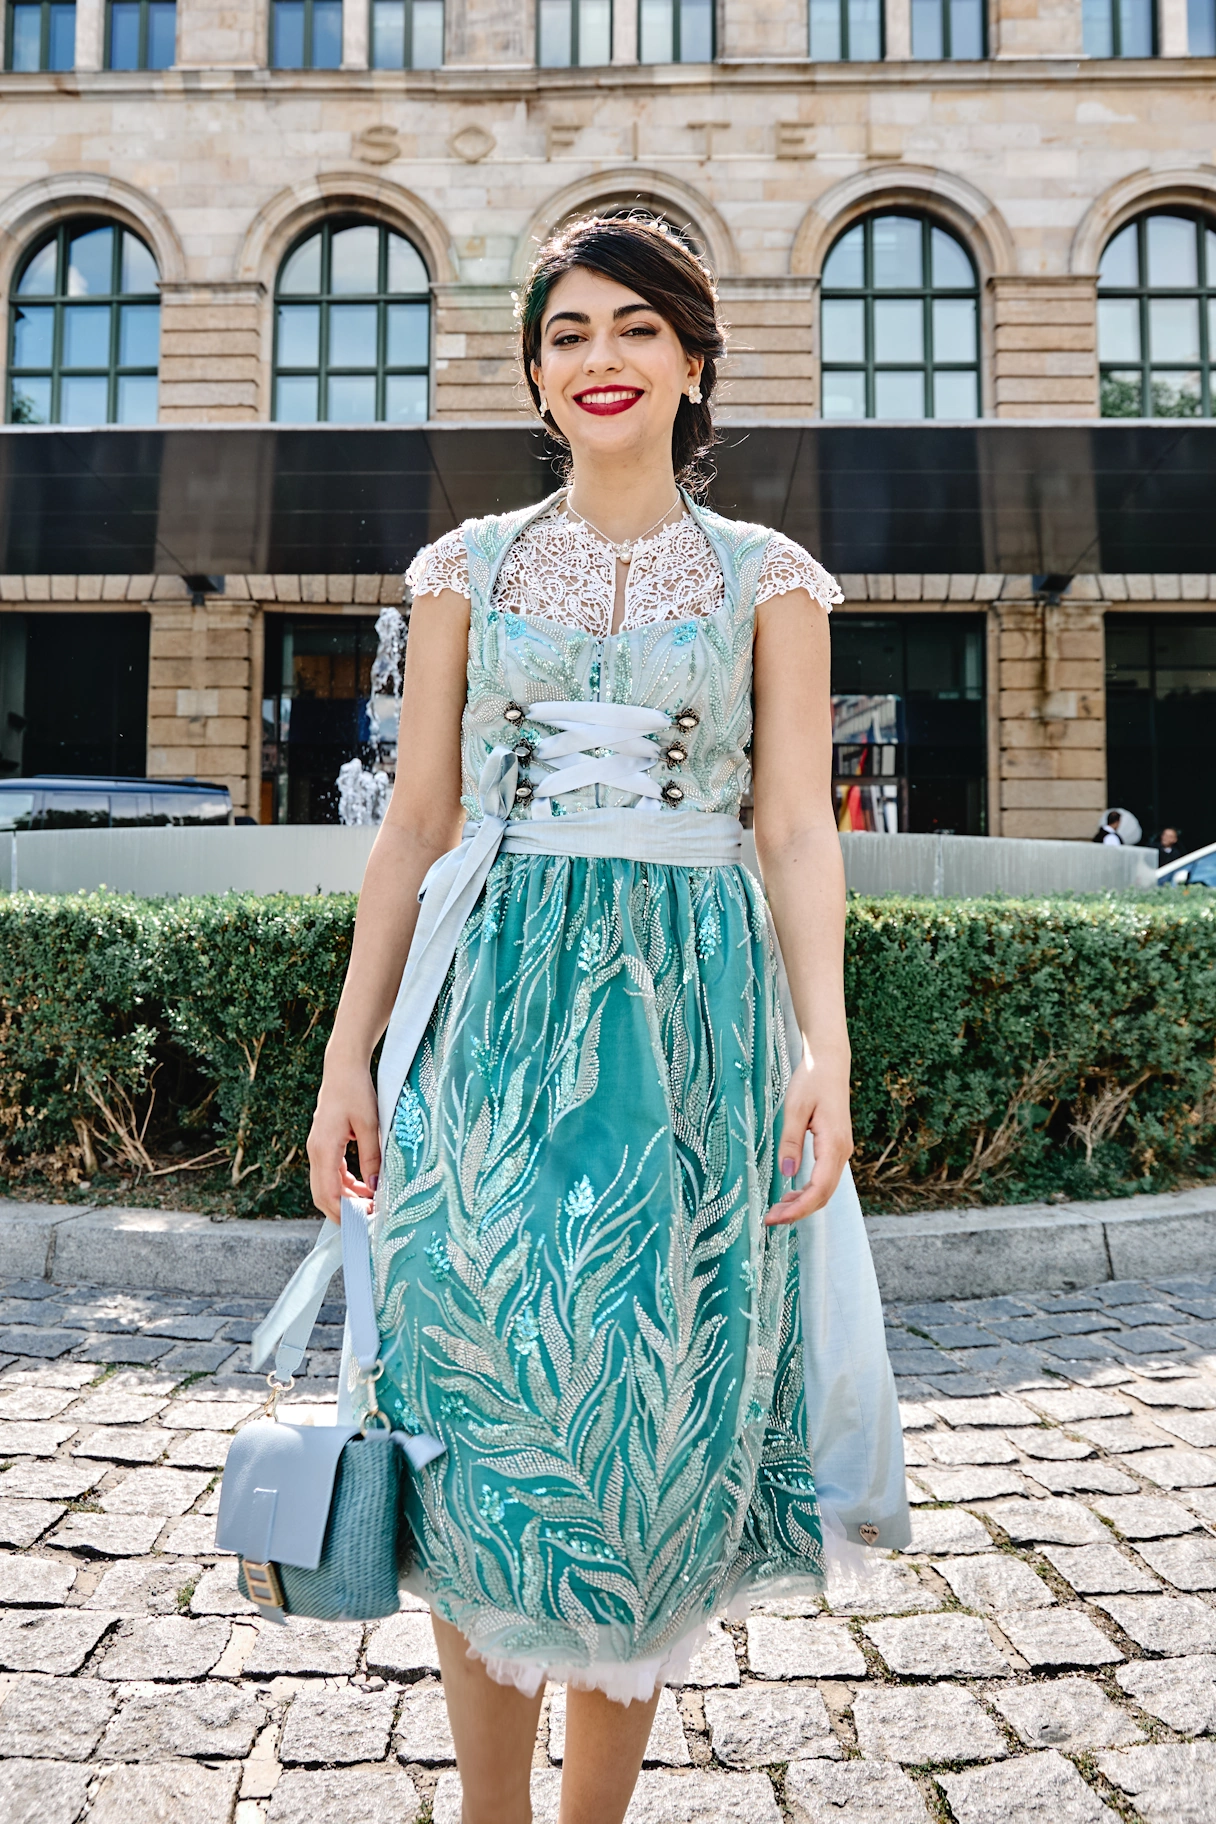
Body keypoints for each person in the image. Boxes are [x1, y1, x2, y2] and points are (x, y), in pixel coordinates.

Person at [307, 214, 907, 1824]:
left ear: (693, 360)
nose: (601, 360)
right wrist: (349, 1055)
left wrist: (823, 1046)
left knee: (645, 1430)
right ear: (535, 374)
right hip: (484, 1025)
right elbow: (414, 821)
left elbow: (794, 827)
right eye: (568, 333)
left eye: (635, 329)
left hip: (690, 1035)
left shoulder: (770, 581)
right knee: (481, 1431)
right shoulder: (467, 569)